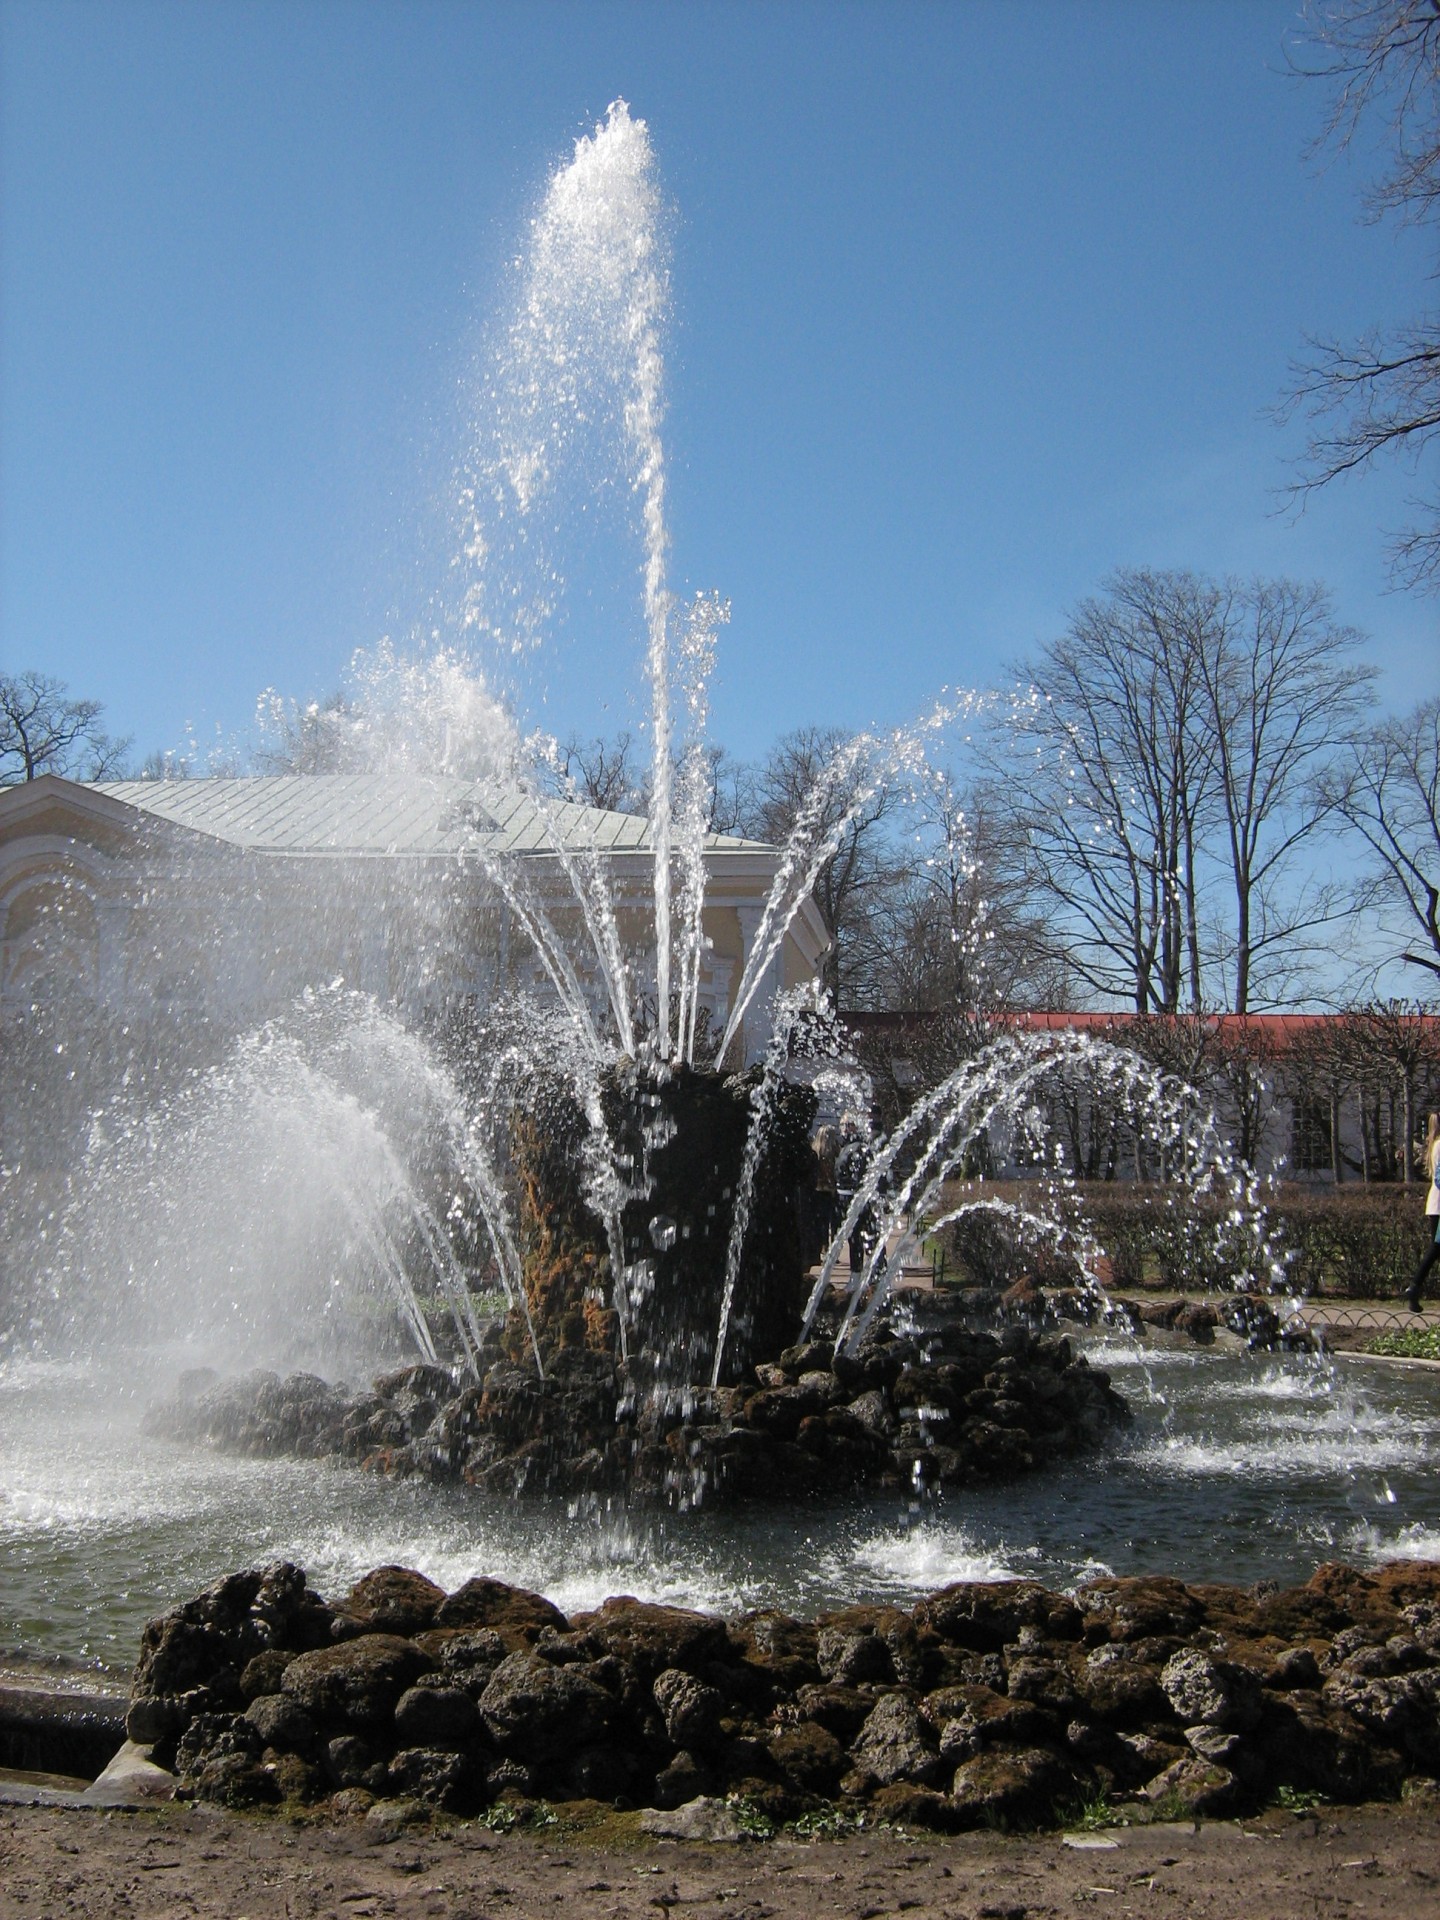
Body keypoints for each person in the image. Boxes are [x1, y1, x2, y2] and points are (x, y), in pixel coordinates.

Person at [1405, 1112, 1440, 1313]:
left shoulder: (1435, 1144)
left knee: (1437, 1248)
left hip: (1435, 1203)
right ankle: (1414, 1286)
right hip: (1439, 1205)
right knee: (1436, 1247)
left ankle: (1414, 1288)